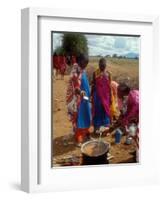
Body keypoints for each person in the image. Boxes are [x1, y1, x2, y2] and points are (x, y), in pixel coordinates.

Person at [66, 54, 91, 146]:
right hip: (77, 99)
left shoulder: (82, 69)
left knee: (87, 114)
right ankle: (79, 137)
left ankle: (87, 133)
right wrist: (80, 92)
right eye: (84, 63)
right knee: (79, 117)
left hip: (84, 98)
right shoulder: (75, 71)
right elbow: (75, 87)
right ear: (79, 61)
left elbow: (84, 83)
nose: (85, 65)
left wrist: (88, 94)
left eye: (87, 64)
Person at [91, 58, 111, 130]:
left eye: (104, 65)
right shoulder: (95, 73)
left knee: (105, 110)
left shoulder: (108, 74)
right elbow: (93, 84)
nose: (102, 67)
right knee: (97, 110)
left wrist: (111, 98)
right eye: (101, 65)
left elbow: (109, 87)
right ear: (98, 65)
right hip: (97, 96)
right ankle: (96, 127)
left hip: (106, 97)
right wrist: (91, 95)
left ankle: (105, 127)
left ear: (106, 65)